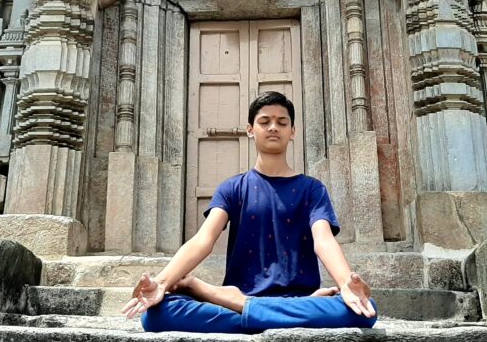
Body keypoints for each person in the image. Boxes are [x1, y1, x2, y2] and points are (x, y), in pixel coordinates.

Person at [122, 91, 378, 334]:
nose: (273, 127)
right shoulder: (233, 187)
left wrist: (346, 284)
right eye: (264, 121)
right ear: (250, 130)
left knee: (364, 311)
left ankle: (237, 304)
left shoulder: (312, 189)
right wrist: (163, 282)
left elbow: (323, 240)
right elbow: (203, 240)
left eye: (282, 122)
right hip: (293, 304)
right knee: (156, 314)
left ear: (293, 131)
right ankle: (272, 313)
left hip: (292, 297)